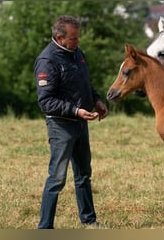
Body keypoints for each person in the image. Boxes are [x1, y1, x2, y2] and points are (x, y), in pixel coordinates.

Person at [34, 15, 108, 229]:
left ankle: (89, 221)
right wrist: (76, 111)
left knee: (84, 174)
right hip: (61, 127)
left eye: (78, 38)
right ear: (59, 37)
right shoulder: (47, 61)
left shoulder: (77, 53)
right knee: (57, 179)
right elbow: (46, 102)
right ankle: (45, 227)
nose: (78, 42)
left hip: (80, 123)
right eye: (74, 39)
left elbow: (84, 82)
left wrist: (96, 100)